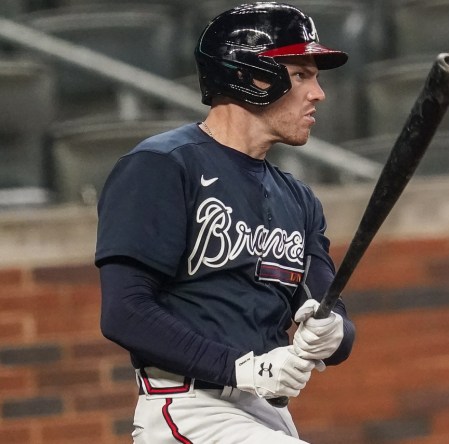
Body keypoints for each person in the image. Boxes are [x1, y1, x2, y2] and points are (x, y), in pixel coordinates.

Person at [94, 3, 356, 442]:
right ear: (251, 76)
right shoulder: (161, 166)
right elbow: (124, 312)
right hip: (189, 406)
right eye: (301, 75)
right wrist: (240, 367)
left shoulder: (299, 198)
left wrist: (332, 331)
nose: (318, 93)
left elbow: (333, 316)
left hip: (265, 412)